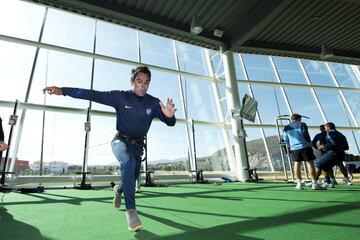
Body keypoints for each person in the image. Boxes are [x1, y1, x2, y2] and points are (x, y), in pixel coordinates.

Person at [43, 66, 176, 231]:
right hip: (120, 141)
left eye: (146, 83)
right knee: (127, 163)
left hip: (138, 146)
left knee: (131, 176)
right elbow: (91, 94)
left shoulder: (154, 102)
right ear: (133, 82)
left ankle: (119, 190)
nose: (142, 86)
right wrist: (63, 91)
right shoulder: (120, 97)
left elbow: (170, 122)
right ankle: (131, 211)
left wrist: (170, 116)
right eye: (139, 81)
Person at [283, 114, 324, 190]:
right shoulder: (302, 124)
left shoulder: (286, 127)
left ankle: (299, 184)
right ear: (298, 118)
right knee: (310, 163)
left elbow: (285, 139)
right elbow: (305, 134)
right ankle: (314, 184)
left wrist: (290, 146)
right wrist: (309, 142)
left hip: (294, 148)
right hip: (305, 146)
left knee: (296, 164)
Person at [315, 122, 352, 187]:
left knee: (318, 164)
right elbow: (347, 147)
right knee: (327, 167)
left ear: (328, 127)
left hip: (333, 153)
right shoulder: (341, 135)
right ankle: (329, 182)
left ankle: (314, 183)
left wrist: (324, 146)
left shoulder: (330, 133)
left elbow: (333, 144)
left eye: (325, 128)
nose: (325, 129)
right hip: (341, 154)